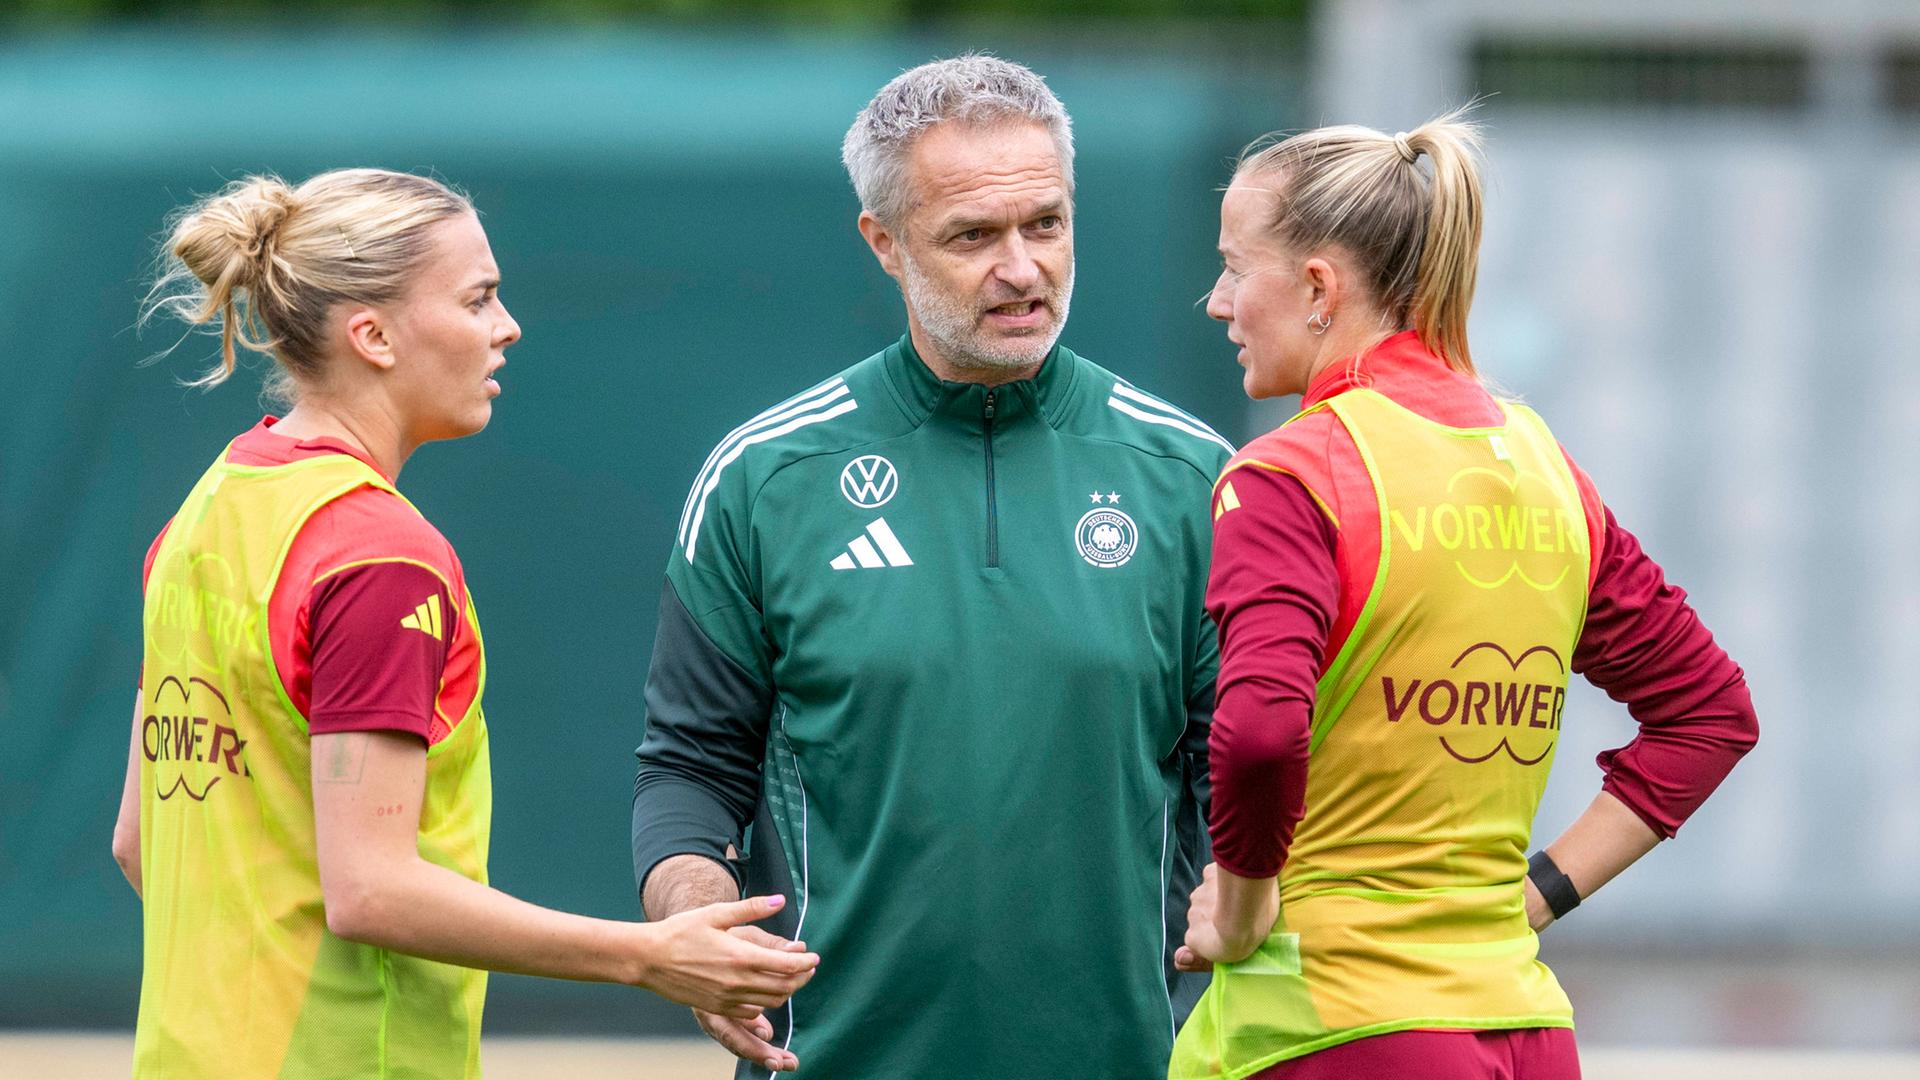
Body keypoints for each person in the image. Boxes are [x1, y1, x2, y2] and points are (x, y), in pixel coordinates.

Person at [116, 168, 816, 1079]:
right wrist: (649, 955)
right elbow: (370, 890)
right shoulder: (377, 554)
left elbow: (140, 842)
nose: (507, 325)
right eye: (478, 298)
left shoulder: (204, 513)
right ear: (371, 335)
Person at [632, 55, 1230, 1078]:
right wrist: (695, 917)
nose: (1023, 268)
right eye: (973, 236)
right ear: (885, 242)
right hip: (827, 1059)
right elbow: (690, 766)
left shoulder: (1194, 479)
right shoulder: (766, 478)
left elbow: (1246, 770)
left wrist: (1239, 879)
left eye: (1044, 223)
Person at [1167, 113, 1759, 1080]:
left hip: (1337, 1036)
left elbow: (1263, 734)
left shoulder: (1290, 473)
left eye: (1236, 267)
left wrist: (1237, 912)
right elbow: (1710, 715)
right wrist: (1529, 902)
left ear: (1319, 287)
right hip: (1526, 1030)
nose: (1217, 301)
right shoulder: (1545, 466)